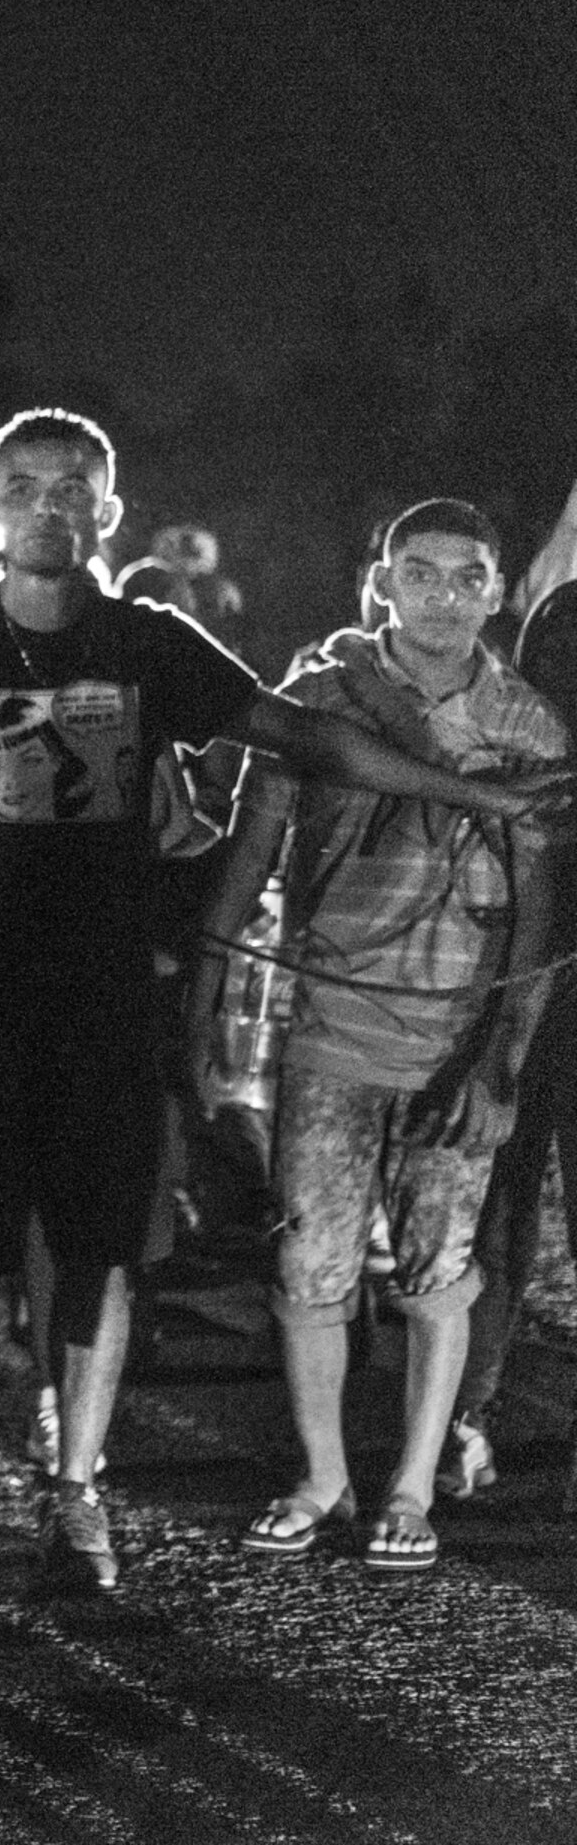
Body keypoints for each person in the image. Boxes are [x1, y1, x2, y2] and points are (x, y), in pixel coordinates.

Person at [0, 410, 558, 1596]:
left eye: (75, 487)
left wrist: (468, 795)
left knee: (100, 1256)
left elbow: (302, 735)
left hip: (103, 1003)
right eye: (25, 485)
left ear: (107, 512)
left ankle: (77, 1501)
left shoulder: (150, 641)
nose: (50, 504)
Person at [188, 499, 560, 1571]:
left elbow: (537, 903)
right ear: (382, 580)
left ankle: (408, 1487)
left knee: (440, 1267)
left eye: (468, 576)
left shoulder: (526, 724)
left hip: (456, 1035)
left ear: (497, 592)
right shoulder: (320, 699)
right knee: (311, 1259)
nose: (443, 595)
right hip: (331, 1027)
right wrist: (205, 993)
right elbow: (253, 845)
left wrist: (499, 1057)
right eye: (421, 571)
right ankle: (322, 1477)